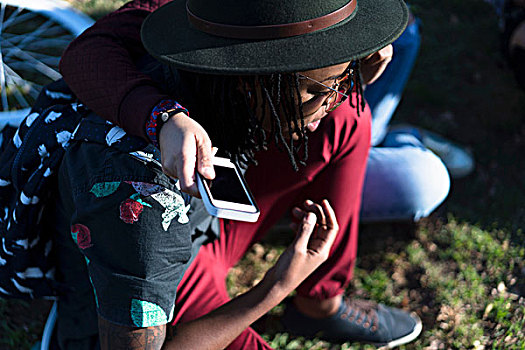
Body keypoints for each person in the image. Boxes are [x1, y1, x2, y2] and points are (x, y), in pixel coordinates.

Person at [54, 0, 422, 348]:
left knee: (347, 118)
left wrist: (349, 82)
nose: (336, 97)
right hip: (171, 268)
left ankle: (319, 303)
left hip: (210, 212)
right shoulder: (140, 205)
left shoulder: (233, 60)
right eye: (322, 89)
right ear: (250, 76)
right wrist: (276, 286)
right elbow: (87, 52)